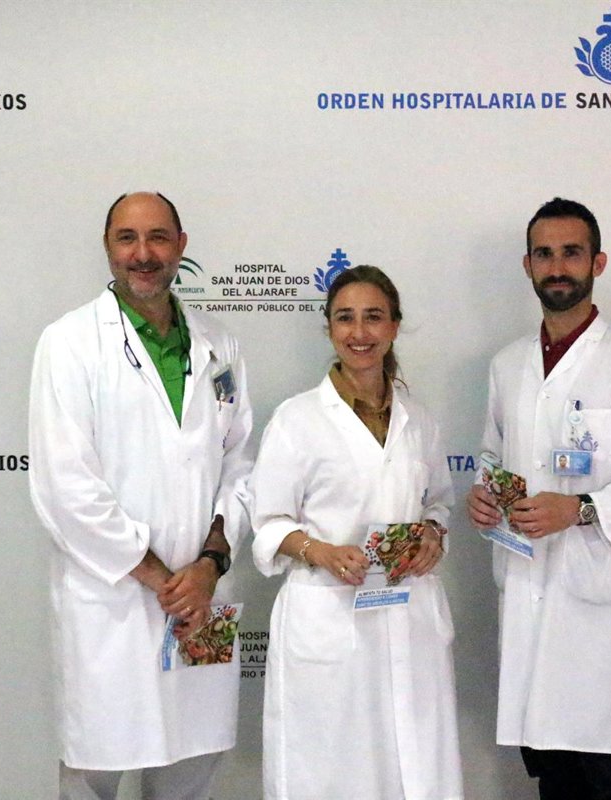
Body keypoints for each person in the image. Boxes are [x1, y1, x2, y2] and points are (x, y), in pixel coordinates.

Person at [29, 191, 253, 800]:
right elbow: (66, 487)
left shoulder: (219, 344)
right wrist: (162, 580)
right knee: (96, 769)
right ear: (108, 248)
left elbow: (240, 463)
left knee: (193, 764)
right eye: (127, 238)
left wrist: (208, 567)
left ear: (181, 245)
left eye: (158, 237)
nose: (143, 253)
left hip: (201, 598)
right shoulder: (70, 343)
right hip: (113, 602)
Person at [466, 198, 611, 800]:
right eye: (544, 254)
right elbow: (492, 456)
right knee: (552, 774)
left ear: (598, 262)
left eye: (571, 253)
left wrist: (581, 508)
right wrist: (484, 496)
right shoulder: (508, 364)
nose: (557, 266)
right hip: (527, 586)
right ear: (527, 266)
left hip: (595, 605)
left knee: (607, 775)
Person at [250, 266, 462, 800]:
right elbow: (268, 522)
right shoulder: (297, 419)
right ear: (329, 328)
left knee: (413, 767)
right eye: (345, 318)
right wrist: (319, 551)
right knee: (333, 772)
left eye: (373, 317)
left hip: (407, 615)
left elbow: (439, 502)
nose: (359, 332)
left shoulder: (420, 420)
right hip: (330, 617)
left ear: (394, 326)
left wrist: (432, 534)